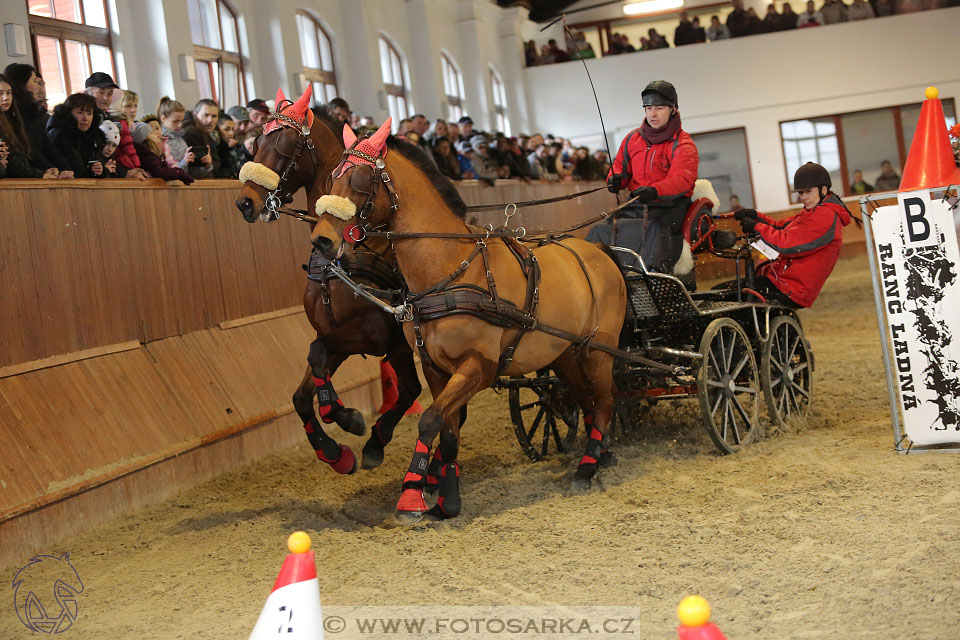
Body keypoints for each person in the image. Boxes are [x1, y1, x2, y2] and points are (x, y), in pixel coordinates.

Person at [586, 80, 699, 286]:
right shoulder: (632, 139)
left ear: (673, 109)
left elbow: (682, 179)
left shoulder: (683, 144)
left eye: (659, 108)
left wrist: (656, 190)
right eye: (648, 108)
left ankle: (654, 282)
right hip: (638, 203)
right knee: (599, 231)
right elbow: (620, 166)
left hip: (670, 207)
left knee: (654, 231)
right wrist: (615, 178)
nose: (653, 114)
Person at [733, 162, 857, 308]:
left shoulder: (825, 216)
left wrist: (756, 227)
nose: (803, 197)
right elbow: (781, 226)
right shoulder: (812, 211)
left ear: (823, 189)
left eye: (808, 192)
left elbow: (786, 244)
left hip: (791, 288)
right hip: (783, 280)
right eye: (801, 193)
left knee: (731, 294)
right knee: (732, 290)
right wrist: (756, 217)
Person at [3, 63, 73, 177]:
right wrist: (49, 171)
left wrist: (62, 168)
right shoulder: (17, 116)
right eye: (35, 81)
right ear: (22, 84)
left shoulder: (33, 113)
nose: (38, 87)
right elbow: (30, 151)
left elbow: (47, 147)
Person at [0, 72, 58, 178]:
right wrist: (41, 174)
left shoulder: (12, 120)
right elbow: (12, 162)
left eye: (9, 93)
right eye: (0, 93)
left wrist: (46, 170)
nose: (5, 98)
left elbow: (26, 154)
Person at [47, 92, 108, 178]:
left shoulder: (93, 136)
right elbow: (77, 170)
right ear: (69, 114)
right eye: (80, 112)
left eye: (89, 113)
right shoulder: (61, 136)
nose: (85, 118)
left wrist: (100, 170)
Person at [181, 98, 220, 178]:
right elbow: (197, 169)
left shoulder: (209, 133)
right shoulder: (191, 134)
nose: (210, 120)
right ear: (195, 114)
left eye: (214, 116)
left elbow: (217, 162)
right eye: (206, 115)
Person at [158, 96, 194, 170]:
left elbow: (189, 169)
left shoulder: (180, 137)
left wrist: (206, 165)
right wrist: (184, 162)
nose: (179, 125)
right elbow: (167, 170)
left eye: (181, 121)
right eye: (175, 121)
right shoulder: (161, 140)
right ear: (163, 118)